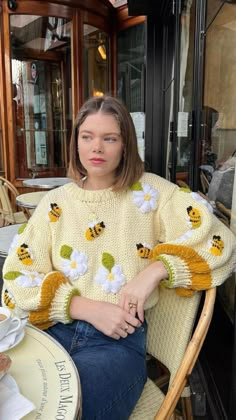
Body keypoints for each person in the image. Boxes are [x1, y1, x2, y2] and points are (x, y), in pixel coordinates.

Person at [2, 95, 236, 419]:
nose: (97, 148)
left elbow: (219, 240)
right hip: (53, 333)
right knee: (17, 399)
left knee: (65, 409)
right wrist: (82, 307)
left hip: (117, 346)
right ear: (76, 143)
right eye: (87, 137)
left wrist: (156, 270)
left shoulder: (151, 193)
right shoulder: (55, 204)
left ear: (125, 144)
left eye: (109, 138)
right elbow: (17, 275)